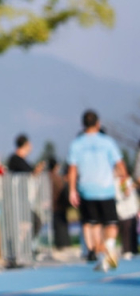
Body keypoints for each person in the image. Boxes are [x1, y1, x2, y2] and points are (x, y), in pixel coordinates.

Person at [67, 109, 126, 271]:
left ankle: (100, 255)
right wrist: (124, 181)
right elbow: (120, 165)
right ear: (98, 123)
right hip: (106, 188)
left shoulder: (77, 143)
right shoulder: (107, 142)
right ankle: (110, 246)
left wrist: (72, 190)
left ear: (82, 124)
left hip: (87, 189)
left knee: (93, 224)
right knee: (111, 224)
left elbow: (72, 169)